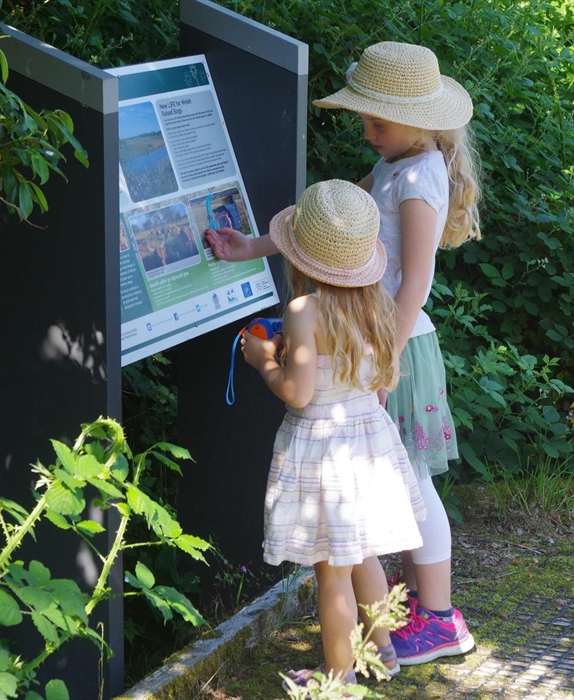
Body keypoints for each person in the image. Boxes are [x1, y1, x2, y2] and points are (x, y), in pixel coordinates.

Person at [206, 41, 482, 666]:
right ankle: (391, 636)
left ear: (418, 117)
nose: (366, 131)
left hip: (394, 348)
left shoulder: (418, 177)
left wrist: (385, 365)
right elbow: (318, 221)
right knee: (393, 493)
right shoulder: (397, 161)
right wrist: (251, 245)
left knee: (411, 486)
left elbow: (415, 279)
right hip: (371, 345)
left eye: (376, 120)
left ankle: (438, 618)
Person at [241, 179, 426, 692]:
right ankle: (383, 652)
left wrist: (263, 361)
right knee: (361, 553)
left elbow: (298, 392)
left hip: (324, 451)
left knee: (331, 573)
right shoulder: (378, 306)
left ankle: (338, 677)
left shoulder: (304, 311)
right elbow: (374, 377)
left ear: (299, 256)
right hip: (368, 444)